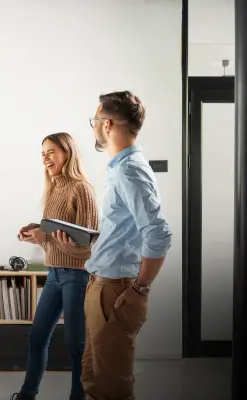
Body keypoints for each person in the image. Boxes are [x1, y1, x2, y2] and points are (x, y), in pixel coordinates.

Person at [82, 91, 172, 400]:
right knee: (93, 379)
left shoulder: (129, 170)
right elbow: (124, 232)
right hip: (101, 287)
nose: (93, 127)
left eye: (95, 120)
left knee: (111, 390)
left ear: (106, 124)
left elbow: (159, 234)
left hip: (116, 292)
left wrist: (140, 289)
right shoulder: (121, 168)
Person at [11, 132, 100, 400]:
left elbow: (88, 244)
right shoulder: (53, 188)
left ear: (68, 152)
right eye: (43, 153)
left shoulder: (81, 188)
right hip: (54, 275)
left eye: (51, 152)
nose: (46, 158)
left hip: (77, 276)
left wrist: (46, 236)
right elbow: (57, 239)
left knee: (76, 346)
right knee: (37, 338)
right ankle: (27, 395)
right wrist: (37, 233)